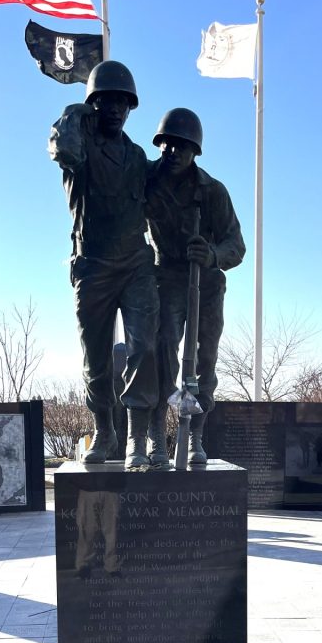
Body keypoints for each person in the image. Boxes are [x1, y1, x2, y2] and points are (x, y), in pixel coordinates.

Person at [48, 61, 159, 468]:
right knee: (95, 358)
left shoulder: (138, 156)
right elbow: (63, 148)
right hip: (93, 265)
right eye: (105, 100)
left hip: (135, 264)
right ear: (93, 104)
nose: (115, 109)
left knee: (143, 348)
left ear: (130, 107)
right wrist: (74, 111)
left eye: (122, 102)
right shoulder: (79, 145)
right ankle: (104, 429)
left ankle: (137, 438)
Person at [145, 108, 245, 467]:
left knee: (204, 361)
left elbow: (237, 246)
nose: (173, 152)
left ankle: (194, 435)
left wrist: (212, 254)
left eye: (182, 146)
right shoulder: (147, 180)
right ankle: (157, 432)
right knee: (163, 352)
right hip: (166, 279)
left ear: (195, 151)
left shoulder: (213, 191)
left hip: (207, 284)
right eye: (167, 144)